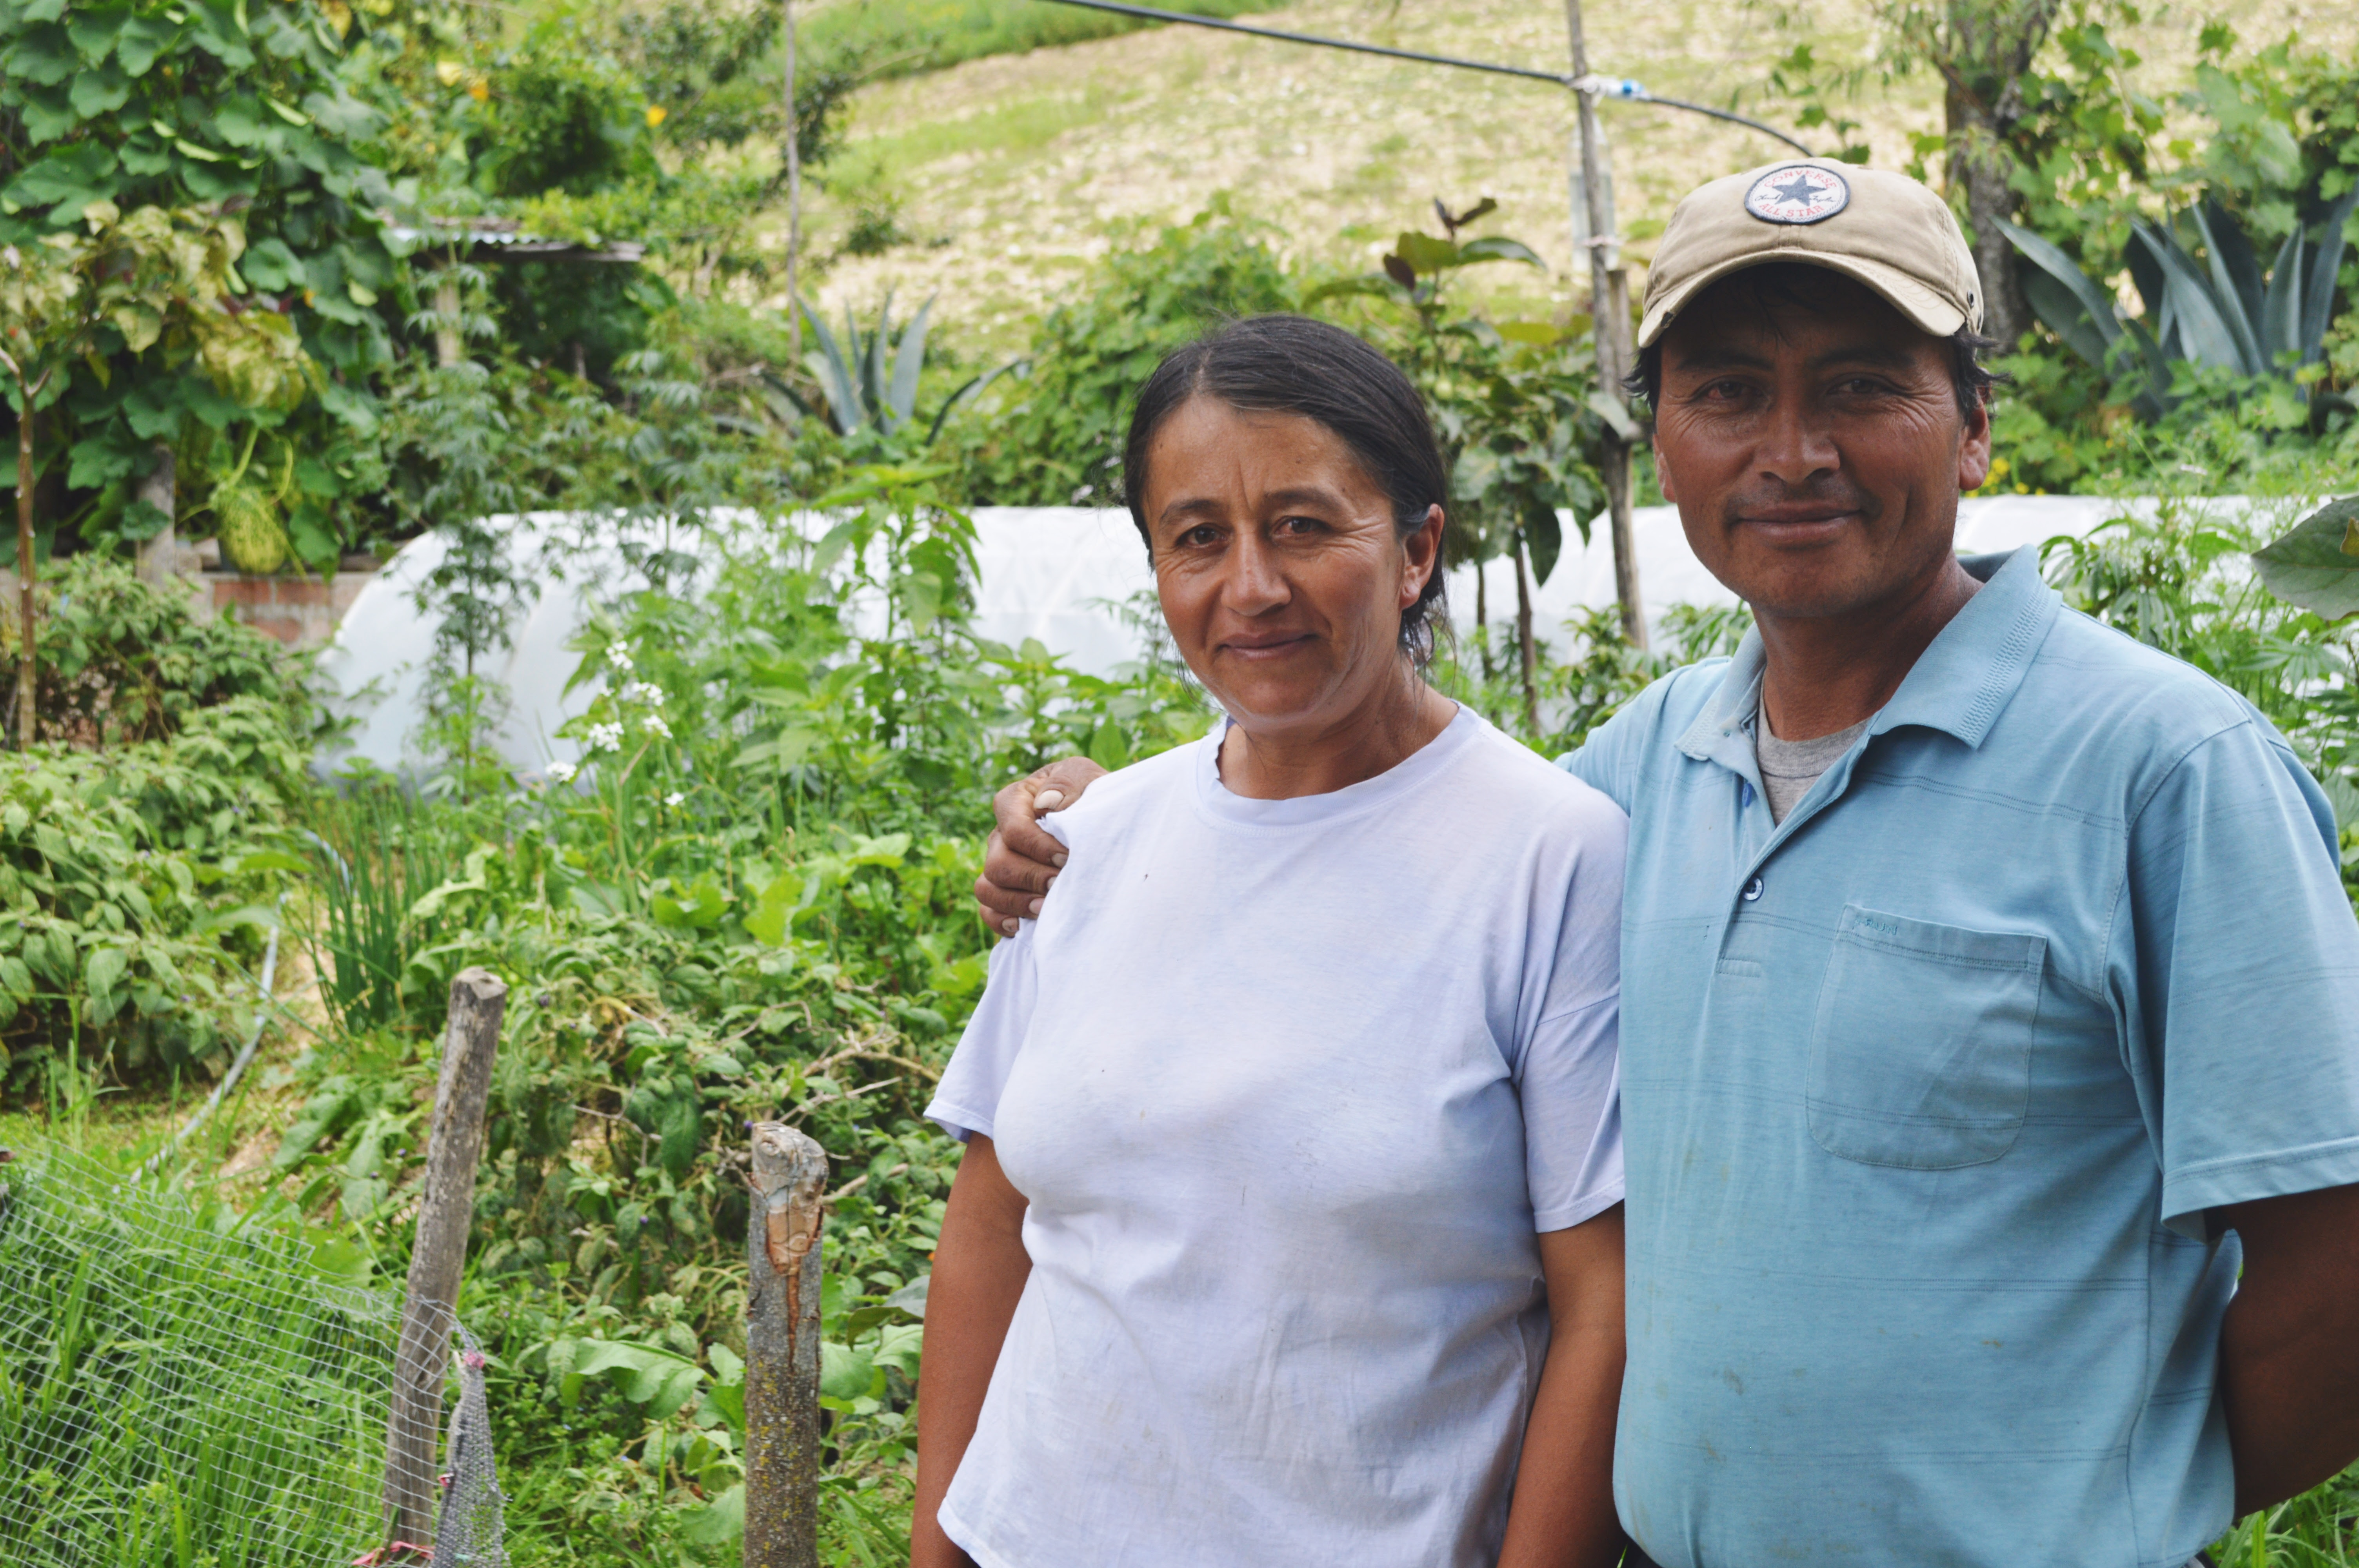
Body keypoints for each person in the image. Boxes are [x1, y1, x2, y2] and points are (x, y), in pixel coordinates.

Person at [974, 159, 2359, 1568]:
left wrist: (2098, 1509)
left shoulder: (2163, 770)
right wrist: (1119, 813)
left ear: (1976, 430)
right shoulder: (1650, 764)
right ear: (1664, 444)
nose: (1792, 449)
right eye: (1728, 393)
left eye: (1863, 386)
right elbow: (1381, 846)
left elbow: (2338, 1273)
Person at [913, 316, 1633, 1568]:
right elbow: (991, 1225)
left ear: (1414, 552)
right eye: (1199, 538)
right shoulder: (1091, 838)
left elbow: (1604, 1314)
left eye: (1303, 525)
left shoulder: (1550, 858)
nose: (1249, 587)